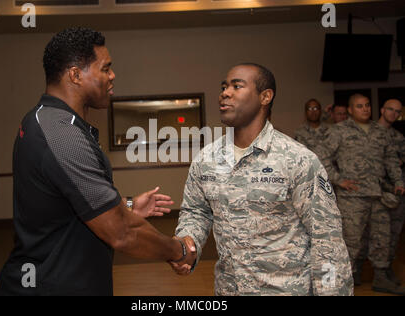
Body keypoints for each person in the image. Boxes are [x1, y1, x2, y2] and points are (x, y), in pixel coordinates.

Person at [0, 27, 195, 296]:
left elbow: (67, 202)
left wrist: (129, 205)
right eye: (105, 68)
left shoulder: (47, 120)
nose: (112, 76)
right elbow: (121, 232)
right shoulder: (61, 134)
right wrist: (178, 250)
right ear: (76, 75)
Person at [171, 63, 353, 296]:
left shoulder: (297, 160)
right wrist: (188, 242)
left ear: (265, 96)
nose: (225, 93)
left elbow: (327, 240)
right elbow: (196, 211)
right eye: (224, 87)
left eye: (237, 86)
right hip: (230, 290)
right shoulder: (206, 159)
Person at [317, 94, 405, 295]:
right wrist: (339, 180)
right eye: (359, 106)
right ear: (350, 110)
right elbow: (321, 157)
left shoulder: (379, 131)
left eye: (367, 106)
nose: (365, 109)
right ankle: (345, 278)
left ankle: (381, 277)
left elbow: (391, 158)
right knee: (351, 241)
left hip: (378, 194)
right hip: (352, 197)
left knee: (381, 237)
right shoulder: (338, 131)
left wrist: (398, 181)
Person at [356, 99, 405, 286]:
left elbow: (396, 162)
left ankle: (384, 270)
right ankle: (359, 271)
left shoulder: (397, 137)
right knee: (362, 235)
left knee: (388, 235)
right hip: (365, 193)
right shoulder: (366, 130)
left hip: (390, 194)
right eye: (390, 109)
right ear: (382, 110)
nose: (393, 114)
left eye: (397, 111)